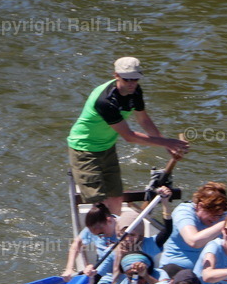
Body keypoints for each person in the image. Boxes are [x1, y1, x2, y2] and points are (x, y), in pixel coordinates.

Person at [67, 56, 189, 215]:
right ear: (116, 75)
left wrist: (167, 145)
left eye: (135, 79)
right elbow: (129, 136)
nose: (131, 83)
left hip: (107, 147)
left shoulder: (135, 91)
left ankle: (115, 227)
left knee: (116, 197)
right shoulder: (105, 101)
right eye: (127, 79)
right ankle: (102, 228)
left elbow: (143, 120)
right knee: (99, 203)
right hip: (84, 149)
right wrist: (167, 142)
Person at [159, 181, 227, 277]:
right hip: (176, 269)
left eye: (219, 215)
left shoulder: (223, 216)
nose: (216, 219)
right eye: (213, 214)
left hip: (205, 271)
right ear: (200, 206)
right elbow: (193, 241)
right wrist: (223, 224)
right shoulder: (183, 212)